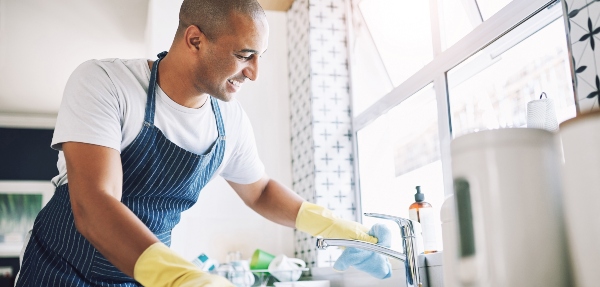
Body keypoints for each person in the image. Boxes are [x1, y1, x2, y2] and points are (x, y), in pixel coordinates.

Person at [15, 0, 378, 286]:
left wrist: (337, 228)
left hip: (144, 280)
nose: (253, 73)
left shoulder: (229, 124)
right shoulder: (106, 82)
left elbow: (261, 190)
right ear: (195, 40)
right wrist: (181, 277)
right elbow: (95, 204)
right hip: (60, 271)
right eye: (243, 55)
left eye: (259, 58)